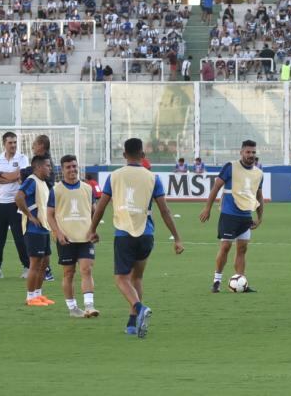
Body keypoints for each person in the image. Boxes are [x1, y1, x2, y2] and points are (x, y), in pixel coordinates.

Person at [88, 137, 184, 338]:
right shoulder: (152, 178)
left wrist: (92, 229)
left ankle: (139, 309)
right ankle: (132, 324)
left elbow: (102, 206)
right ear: (143, 155)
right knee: (137, 277)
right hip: (146, 234)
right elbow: (165, 211)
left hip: (124, 233)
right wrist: (176, 238)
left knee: (121, 279)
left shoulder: (114, 176)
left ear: (124, 155)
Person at [198, 139, 264, 294]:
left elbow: (259, 196)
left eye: (253, 152)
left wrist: (260, 217)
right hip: (229, 214)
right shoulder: (230, 167)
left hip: (246, 215)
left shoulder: (258, 173)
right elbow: (216, 187)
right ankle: (217, 281)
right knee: (226, 246)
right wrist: (207, 208)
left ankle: (241, 281)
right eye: (248, 152)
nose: (251, 155)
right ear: (241, 152)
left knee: (242, 248)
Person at [47, 154, 98, 318]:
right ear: (62, 170)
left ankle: (89, 306)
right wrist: (57, 233)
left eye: (74, 166)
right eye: (68, 167)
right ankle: (73, 308)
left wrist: (94, 229)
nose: (72, 169)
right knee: (68, 273)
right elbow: (50, 215)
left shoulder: (88, 188)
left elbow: (94, 212)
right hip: (66, 239)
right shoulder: (55, 190)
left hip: (85, 237)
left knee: (86, 269)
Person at [0, 132, 29, 278]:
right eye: (10, 143)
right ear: (4, 143)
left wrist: (2, 175)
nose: (13, 145)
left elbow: (20, 175)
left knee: (20, 237)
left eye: (15, 142)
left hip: (15, 203)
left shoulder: (22, 158)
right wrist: (10, 177)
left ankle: (27, 267)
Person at [15, 154, 54, 307]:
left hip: (44, 228)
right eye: (47, 166)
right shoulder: (31, 180)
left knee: (44, 262)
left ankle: (38, 294)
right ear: (38, 167)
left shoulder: (43, 183)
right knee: (35, 263)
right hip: (34, 230)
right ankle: (30, 297)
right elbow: (18, 197)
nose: (50, 168)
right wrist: (29, 215)